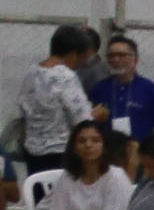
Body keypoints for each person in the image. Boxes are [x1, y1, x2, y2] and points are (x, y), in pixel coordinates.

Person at [15, 23, 97, 176]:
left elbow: (22, 107)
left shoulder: (32, 73)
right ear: (73, 53)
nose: (81, 64)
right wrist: (97, 114)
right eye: (81, 58)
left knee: (38, 195)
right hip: (60, 152)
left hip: (32, 151)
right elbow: (82, 119)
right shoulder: (65, 76)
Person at [85, 32, 154, 146]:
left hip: (139, 155)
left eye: (121, 55)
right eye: (111, 55)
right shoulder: (98, 89)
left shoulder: (151, 90)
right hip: (106, 154)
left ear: (135, 59)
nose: (116, 59)